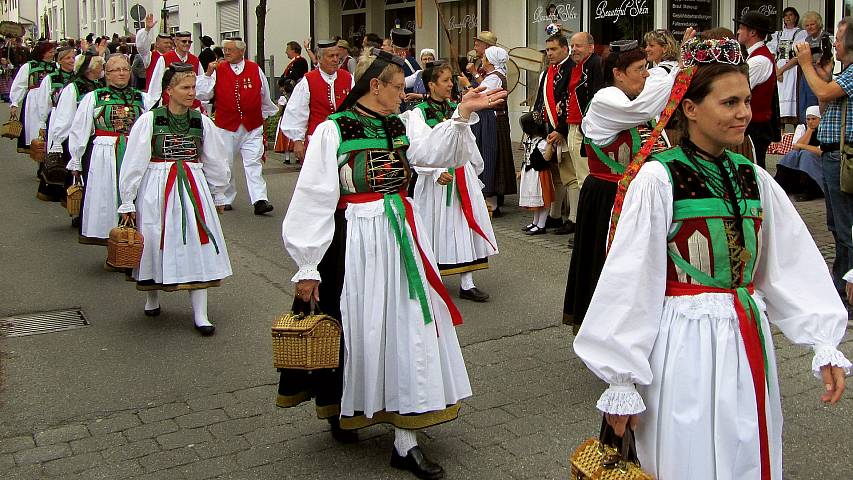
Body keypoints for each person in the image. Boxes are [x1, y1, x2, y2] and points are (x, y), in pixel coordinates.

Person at [574, 36, 850, 480]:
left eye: (745, 100)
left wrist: (823, 341)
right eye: (729, 102)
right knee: (688, 451)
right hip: (683, 342)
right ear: (690, 108)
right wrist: (621, 379)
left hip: (746, 337)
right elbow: (631, 279)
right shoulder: (659, 179)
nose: (743, 112)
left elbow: (791, 263)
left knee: (744, 444)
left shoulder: (754, 177)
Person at [279, 48, 506, 479]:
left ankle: (406, 440)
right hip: (355, 239)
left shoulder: (402, 124)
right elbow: (313, 195)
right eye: (398, 87)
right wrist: (307, 263)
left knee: (409, 325)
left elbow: (435, 155)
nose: (406, 93)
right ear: (375, 86)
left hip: (402, 233)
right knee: (358, 326)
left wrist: (460, 115)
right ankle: (348, 406)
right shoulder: (335, 130)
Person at [563, 39, 677, 333]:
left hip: (635, 197)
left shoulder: (632, 102)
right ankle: (606, 335)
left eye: (646, 67)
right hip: (608, 198)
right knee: (612, 269)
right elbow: (643, 107)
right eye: (640, 69)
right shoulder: (606, 101)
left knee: (638, 269)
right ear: (618, 73)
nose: (647, 74)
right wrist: (680, 72)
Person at [117, 63, 231, 335]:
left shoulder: (201, 121)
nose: (192, 92)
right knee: (155, 239)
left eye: (193, 87)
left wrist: (218, 192)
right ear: (169, 90)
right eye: (185, 87)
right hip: (157, 186)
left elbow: (215, 158)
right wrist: (128, 200)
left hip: (193, 185)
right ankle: (152, 296)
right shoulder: (150, 120)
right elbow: (133, 162)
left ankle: (201, 313)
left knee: (197, 243)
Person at [412, 61, 498, 302]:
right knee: (434, 225)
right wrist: (435, 171)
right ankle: (430, 278)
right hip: (436, 180)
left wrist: (475, 169)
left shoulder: (456, 107)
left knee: (464, 226)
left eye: (451, 80)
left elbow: (468, 141)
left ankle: (467, 282)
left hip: (462, 174)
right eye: (445, 81)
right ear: (431, 85)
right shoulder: (420, 112)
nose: (451, 84)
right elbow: (418, 147)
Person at [67, 55, 158, 246]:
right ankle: (113, 242)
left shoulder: (141, 98)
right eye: (116, 70)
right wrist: (76, 158)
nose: (122, 73)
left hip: (134, 152)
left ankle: (133, 241)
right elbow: (80, 128)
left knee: (137, 195)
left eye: (125, 69)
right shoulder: (95, 97)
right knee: (106, 195)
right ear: (107, 74)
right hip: (105, 153)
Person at [796, 18, 853, 297]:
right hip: (834, 155)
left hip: (844, 157)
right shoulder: (845, 72)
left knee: (846, 228)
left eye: (839, 39)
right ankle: (841, 285)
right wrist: (820, 71)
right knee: (836, 224)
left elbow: (822, 92)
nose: (835, 44)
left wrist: (806, 64)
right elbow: (824, 100)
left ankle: (845, 290)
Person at [195, 37, 278, 215]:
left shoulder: (255, 69)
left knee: (253, 163)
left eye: (230, 50)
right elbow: (202, 94)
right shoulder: (218, 69)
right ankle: (225, 197)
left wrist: (262, 117)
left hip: (252, 126)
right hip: (226, 125)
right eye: (224, 50)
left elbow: (264, 94)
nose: (225, 53)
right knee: (226, 163)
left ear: (241, 51)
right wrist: (208, 74)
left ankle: (260, 199)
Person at [553, 31, 604, 234]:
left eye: (578, 46)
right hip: (573, 126)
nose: (574, 49)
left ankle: (587, 227)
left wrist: (588, 128)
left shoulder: (595, 65)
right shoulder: (577, 66)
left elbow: (595, 97)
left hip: (584, 128)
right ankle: (579, 222)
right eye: (573, 46)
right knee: (577, 177)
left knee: (585, 178)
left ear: (591, 47)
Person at [48, 51, 105, 227]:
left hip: (97, 138)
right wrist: (57, 142)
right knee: (81, 177)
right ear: (90, 69)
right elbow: (65, 116)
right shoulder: (74, 88)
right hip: (80, 138)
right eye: (100, 66)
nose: (102, 70)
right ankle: (80, 214)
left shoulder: (99, 86)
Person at [279, 39, 353, 164]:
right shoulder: (308, 81)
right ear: (319, 58)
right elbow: (297, 111)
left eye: (337, 56)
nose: (336, 60)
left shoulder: (348, 78)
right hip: (317, 140)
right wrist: (298, 140)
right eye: (331, 56)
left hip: (344, 139)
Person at [533, 32, 572, 232]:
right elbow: (540, 101)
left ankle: (570, 218)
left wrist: (561, 129)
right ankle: (555, 215)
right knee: (555, 174)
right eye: (547, 49)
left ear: (565, 49)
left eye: (554, 49)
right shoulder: (547, 72)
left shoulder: (571, 69)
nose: (549, 53)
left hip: (563, 130)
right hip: (548, 129)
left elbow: (569, 103)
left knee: (568, 175)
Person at [469, 46, 516, 215]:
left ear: (490, 60)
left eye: (485, 57)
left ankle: (492, 204)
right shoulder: (494, 76)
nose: (483, 59)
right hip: (492, 120)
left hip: (492, 121)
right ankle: (492, 201)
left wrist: (468, 82)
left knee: (490, 157)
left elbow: (481, 96)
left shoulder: (495, 77)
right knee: (491, 157)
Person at [30, 46, 76, 203]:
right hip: (57, 116)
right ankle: (55, 182)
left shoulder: (78, 78)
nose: (71, 61)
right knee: (58, 155)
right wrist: (43, 123)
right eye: (68, 58)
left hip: (76, 119)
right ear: (60, 60)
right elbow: (44, 102)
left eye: (73, 57)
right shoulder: (52, 78)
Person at [736, 11, 780, 169]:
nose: (738, 31)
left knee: (755, 167)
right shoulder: (754, 56)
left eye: (741, 27)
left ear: (753, 32)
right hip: (753, 123)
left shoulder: (759, 60)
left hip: (756, 125)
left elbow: (739, 89)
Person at [10, 40, 56, 153]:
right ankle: (39, 154)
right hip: (34, 100)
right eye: (50, 52)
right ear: (42, 53)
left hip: (50, 99)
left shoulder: (55, 67)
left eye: (53, 52)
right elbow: (20, 84)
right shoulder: (29, 66)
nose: (52, 54)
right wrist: (15, 102)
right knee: (35, 129)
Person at [774, 105, 824, 202]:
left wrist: (803, 147)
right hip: (801, 160)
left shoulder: (824, 130)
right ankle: (780, 184)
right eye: (808, 119)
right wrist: (809, 130)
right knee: (792, 154)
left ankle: (809, 191)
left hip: (818, 161)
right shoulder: (802, 128)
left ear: (820, 119)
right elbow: (796, 147)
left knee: (806, 154)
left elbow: (820, 151)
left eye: (814, 119)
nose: (810, 121)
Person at [767, 7, 808, 122]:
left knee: (791, 95)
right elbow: (772, 54)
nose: (788, 17)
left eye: (790, 15)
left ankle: (792, 127)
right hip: (778, 67)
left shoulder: (800, 33)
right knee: (778, 97)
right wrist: (776, 70)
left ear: (795, 17)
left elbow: (797, 56)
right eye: (785, 15)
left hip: (791, 68)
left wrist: (781, 70)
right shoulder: (778, 34)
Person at [517, 111, 555, 235]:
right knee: (537, 200)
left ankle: (541, 224)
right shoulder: (531, 140)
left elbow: (548, 157)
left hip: (539, 174)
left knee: (543, 200)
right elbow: (526, 156)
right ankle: (535, 222)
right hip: (530, 173)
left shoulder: (541, 143)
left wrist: (549, 145)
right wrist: (521, 170)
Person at [147, 31, 204, 106]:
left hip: (191, 106)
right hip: (170, 105)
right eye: (184, 41)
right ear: (176, 42)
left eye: (189, 42)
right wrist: (153, 104)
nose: (187, 44)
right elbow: (156, 83)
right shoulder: (164, 59)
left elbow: (201, 83)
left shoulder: (195, 60)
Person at [798, 11, 833, 123]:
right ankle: (806, 124)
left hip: (821, 72)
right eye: (807, 25)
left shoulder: (826, 37)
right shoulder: (807, 39)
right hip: (808, 71)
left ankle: (817, 125)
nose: (809, 27)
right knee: (805, 101)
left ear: (818, 24)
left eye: (812, 24)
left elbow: (829, 56)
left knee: (816, 100)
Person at [135, 13, 175, 92]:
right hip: (154, 96)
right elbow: (141, 47)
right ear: (157, 44)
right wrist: (147, 30)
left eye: (170, 43)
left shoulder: (175, 57)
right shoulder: (149, 56)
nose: (169, 45)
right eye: (166, 43)